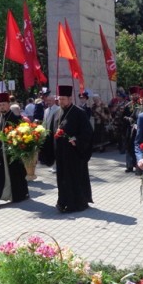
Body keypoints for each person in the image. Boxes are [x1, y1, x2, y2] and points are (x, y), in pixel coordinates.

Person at [0, 93, 29, 207]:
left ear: (9, 105)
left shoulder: (15, 118)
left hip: (13, 152)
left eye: (4, 104)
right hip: (0, 153)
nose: (2, 107)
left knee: (17, 174)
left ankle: (21, 194)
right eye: (0, 105)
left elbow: (21, 135)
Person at [53, 85, 93, 213]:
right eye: (59, 99)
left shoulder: (79, 113)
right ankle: (62, 201)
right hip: (61, 153)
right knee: (62, 179)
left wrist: (77, 139)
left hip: (75, 154)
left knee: (74, 179)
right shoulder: (58, 112)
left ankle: (77, 203)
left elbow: (88, 132)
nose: (61, 102)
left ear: (70, 99)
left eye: (63, 99)